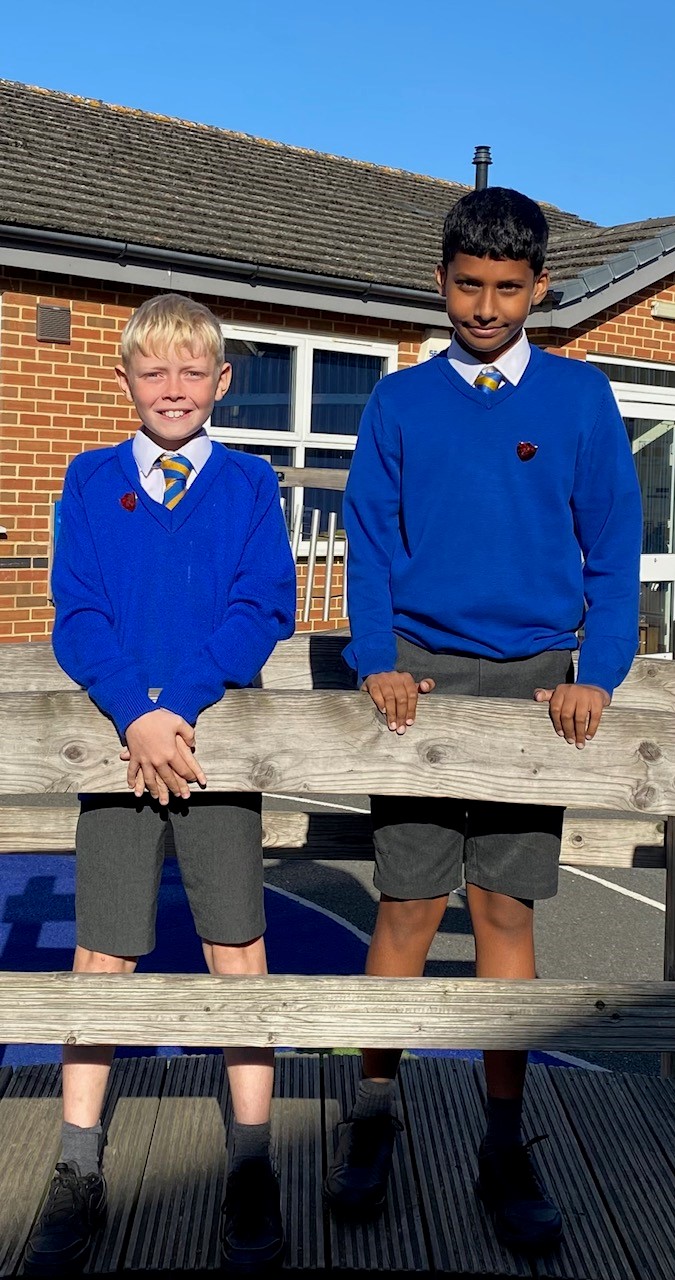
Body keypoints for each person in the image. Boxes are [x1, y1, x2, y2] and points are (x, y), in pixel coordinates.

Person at [323, 188, 642, 1251]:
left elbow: (612, 549)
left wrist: (598, 671)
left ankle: (503, 1140)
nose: (486, 306)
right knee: (408, 906)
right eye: (468, 285)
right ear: (441, 281)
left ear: (540, 287)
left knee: (505, 911)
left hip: (538, 688)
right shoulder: (399, 401)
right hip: (415, 683)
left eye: (508, 287)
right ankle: (375, 1115)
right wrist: (376, 657)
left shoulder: (582, 398)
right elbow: (369, 542)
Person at [24, 293, 296, 1276]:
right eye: (153, 371)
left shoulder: (250, 483)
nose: (172, 388)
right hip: (118, 752)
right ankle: (77, 1161)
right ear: (126, 380)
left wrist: (174, 705)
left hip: (212, 746)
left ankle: (252, 1160)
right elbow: (77, 611)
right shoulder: (89, 478)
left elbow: (261, 606)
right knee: (102, 951)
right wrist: (132, 714)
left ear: (221, 381)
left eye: (192, 371)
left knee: (238, 947)